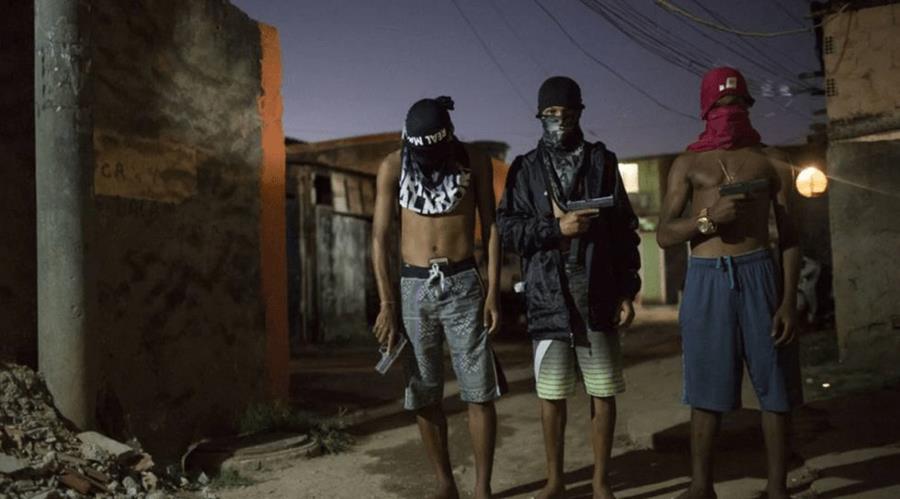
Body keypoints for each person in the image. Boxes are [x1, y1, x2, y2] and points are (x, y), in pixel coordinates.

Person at [656, 67, 803, 499]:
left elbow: (791, 236)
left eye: (737, 103)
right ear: (706, 109)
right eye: (722, 104)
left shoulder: (771, 159)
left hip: (759, 273)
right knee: (706, 389)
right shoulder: (687, 163)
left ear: (749, 106)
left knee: (775, 386)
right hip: (706, 279)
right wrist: (708, 219)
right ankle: (701, 487)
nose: (730, 110)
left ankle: (777, 488)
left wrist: (788, 301)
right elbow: (664, 234)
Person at [497, 76, 641, 499]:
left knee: (602, 390)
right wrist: (555, 228)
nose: (559, 121)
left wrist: (627, 290)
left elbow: (625, 230)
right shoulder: (525, 168)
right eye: (551, 114)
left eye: (567, 113)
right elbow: (508, 229)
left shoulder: (602, 161)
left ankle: (601, 482)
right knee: (551, 393)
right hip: (547, 292)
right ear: (539, 117)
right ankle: (555, 481)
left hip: (597, 289)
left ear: (580, 113)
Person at [371, 96, 501, 499]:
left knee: (479, 390)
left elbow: (491, 226)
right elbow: (379, 238)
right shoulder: (393, 166)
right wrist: (387, 303)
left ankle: (482, 487)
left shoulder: (474, 160)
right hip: (414, 287)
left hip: (463, 281)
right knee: (423, 392)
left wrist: (492, 291)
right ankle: (445, 484)